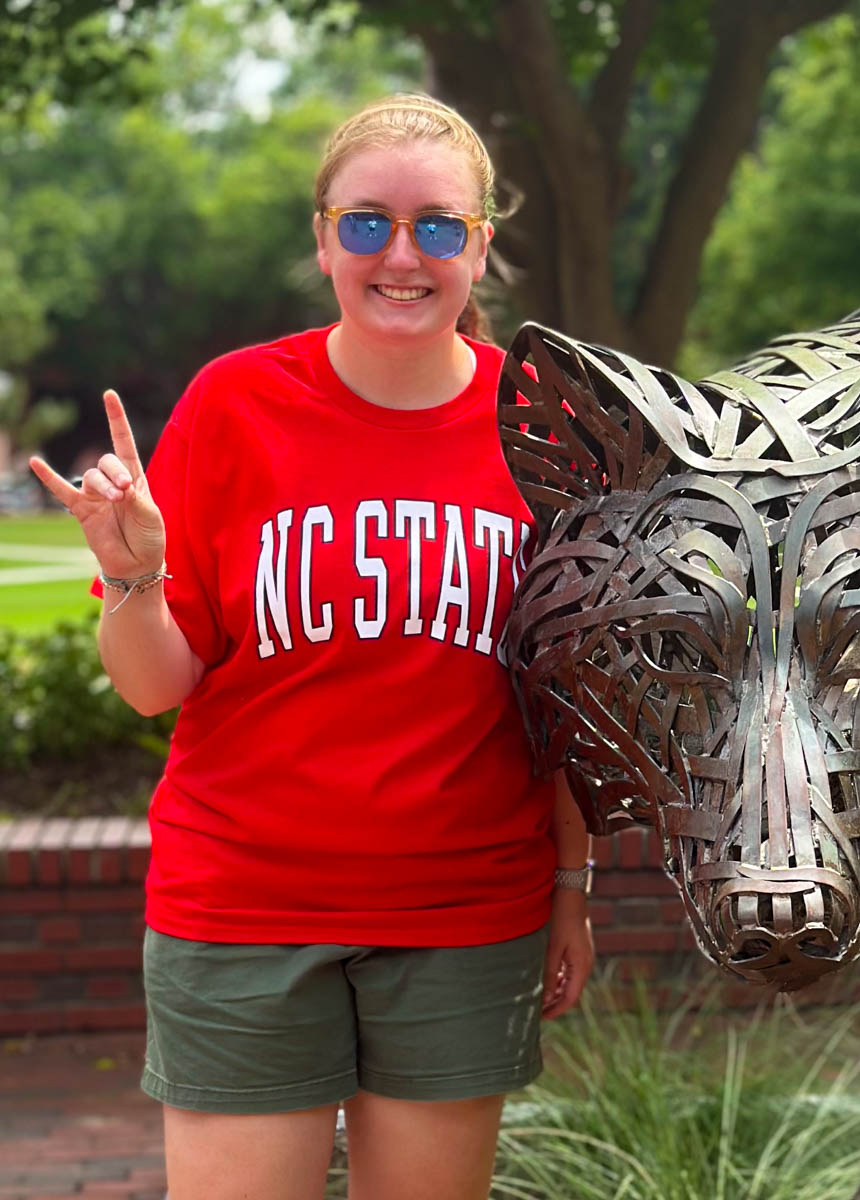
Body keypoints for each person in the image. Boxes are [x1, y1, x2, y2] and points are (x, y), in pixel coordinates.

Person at [30, 93, 594, 1200]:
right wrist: (134, 575)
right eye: (367, 222)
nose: (401, 254)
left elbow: (570, 692)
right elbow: (155, 688)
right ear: (324, 236)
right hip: (242, 908)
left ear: (481, 246)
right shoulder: (237, 404)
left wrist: (570, 887)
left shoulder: (546, 428)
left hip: (462, 914)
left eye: (438, 226)